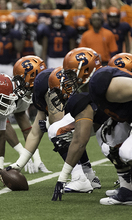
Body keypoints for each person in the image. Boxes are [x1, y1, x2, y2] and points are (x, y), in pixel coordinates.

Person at [8, 57, 99, 192]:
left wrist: (49, 123)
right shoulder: (42, 86)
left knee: (58, 131)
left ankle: (79, 177)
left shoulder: (45, 84)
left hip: (95, 113)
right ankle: (89, 175)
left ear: (32, 77)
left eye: (21, 79)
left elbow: (59, 123)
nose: (19, 84)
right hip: (91, 114)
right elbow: (35, 132)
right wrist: (19, 164)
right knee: (60, 130)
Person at [50, 47, 109, 201]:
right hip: (114, 118)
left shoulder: (104, 80)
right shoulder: (90, 86)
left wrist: (62, 178)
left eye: (70, 73)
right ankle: (88, 178)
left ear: (85, 70)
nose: (68, 79)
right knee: (58, 130)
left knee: (116, 148)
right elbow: (80, 139)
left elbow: (80, 141)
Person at [88, 53, 132, 205]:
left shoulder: (101, 82)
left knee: (127, 152)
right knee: (108, 137)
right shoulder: (98, 85)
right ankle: (127, 190)